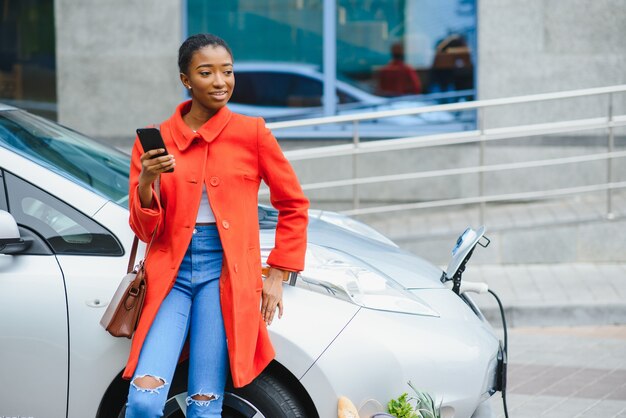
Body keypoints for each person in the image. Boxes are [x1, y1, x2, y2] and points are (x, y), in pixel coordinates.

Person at [122, 33, 309, 417]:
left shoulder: (252, 133)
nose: (220, 82)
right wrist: (145, 182)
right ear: (186, 80)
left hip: (224, 275)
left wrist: (278, 273)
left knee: (205, 406)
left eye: (227, 71)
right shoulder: (155, 141)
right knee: (142, 401)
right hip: (170, 275)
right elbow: (143, 230)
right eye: (206, 72)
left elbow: (293, 203)